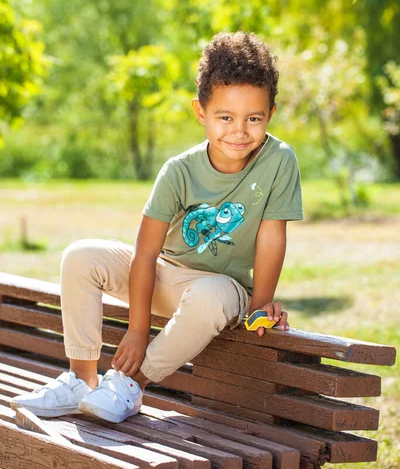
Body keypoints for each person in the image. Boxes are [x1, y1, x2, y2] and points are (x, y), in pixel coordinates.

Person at [11, 31, 303, 423]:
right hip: (164, 275)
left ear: (271, 112)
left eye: (254, 118)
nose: (239, 131)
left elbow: (271, 235)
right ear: (200, 112)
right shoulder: (178, 171)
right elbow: (146, 253)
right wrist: (137, 329)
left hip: (219, 291)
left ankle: (132, 386)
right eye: (225, 117)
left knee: (210, 296)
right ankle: (81, 379)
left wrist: (260, 304)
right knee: (80, 256)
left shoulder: (279, 160)